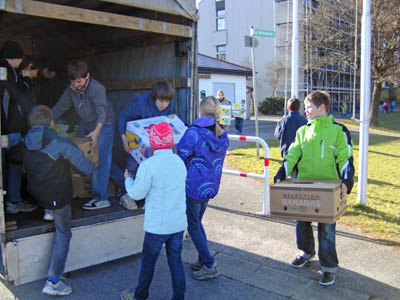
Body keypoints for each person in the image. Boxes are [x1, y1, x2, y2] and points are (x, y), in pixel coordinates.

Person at [10, 105, 95, 296]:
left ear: (32, 124)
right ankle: (54, 280)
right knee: (63, 233)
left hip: (34, 194)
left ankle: (48, 209)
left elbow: (11, 157)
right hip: (56, 196)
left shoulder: (24, 143)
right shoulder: (60, 141)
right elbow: (86, 168)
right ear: (51, 123)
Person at [274, 91, 355, 287]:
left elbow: (346, 158)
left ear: (321, 107)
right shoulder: (303, 131)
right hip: (304, 188)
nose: (306, 111)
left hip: (329, 192)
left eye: (309, 107)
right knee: (301, 222)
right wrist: (281, 173)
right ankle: (306, 252)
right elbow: (292, 155)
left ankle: (328, 268)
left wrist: (346, 181)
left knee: (326, 230)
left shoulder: (338, 131)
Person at [121, 122, 187, 300]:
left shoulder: (148, 166)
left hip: (157, 226)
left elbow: (136, 193)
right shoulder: (179, 162)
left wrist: (128, 180)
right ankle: (179, 297)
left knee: (148, 263)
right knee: (176, 262)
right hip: (178, 223)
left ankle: (140, 296)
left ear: (152, 142)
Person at [52, 59, 115, 210]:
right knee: (90, 156)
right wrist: (45, 121)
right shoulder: (71, 89)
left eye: (79, 81)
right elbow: (60, 107)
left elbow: (102, 111)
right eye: (73, 81)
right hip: (86, 123)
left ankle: (102, 198)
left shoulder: (97, 88)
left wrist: (96, 131)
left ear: (87, 76)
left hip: (104, 125)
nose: (75, 84)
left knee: (100, 160)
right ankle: (124, 182)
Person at [177, 96, 229, 280]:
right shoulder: (222, 133)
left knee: (193, 226)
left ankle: (209, 264)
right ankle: (202, 258)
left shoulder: (194, 132)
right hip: (210, 186)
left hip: (193, 186)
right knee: (197, 223)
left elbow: (180, 155)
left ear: (201, 111)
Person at [115, 81, 174, 200]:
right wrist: (123, 136)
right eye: (161, 101)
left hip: (157, 143)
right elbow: (123, 116)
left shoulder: (169, 104)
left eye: (167, 101)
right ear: (154, 97)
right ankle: (124, 191)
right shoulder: (141, 103)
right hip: (138, 140)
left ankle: (145, 193)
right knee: (132, 164)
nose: (164, 105)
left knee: (154, 168)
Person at [0, 40, 38, 214]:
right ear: (14, 58)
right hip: (8, 129)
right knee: (14, 162)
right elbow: (19, 100)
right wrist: (27, 79)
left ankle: (8, 202)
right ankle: (13, 201)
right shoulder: (9, 72)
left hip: (5, 128)